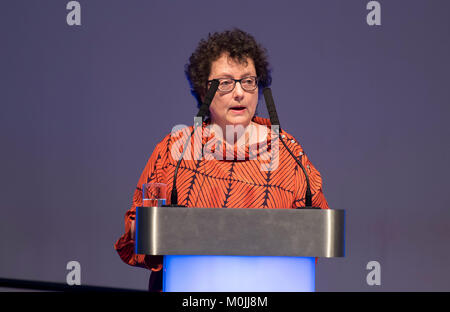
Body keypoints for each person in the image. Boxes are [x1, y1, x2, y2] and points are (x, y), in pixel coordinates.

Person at [114, 28, 329, 292]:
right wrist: (144, 231)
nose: (239, 93)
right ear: (203, 93)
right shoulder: (175, 151)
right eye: (225, 83)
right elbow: (136, 237)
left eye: (248, 81)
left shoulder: (287, 152)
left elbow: (316, 234)